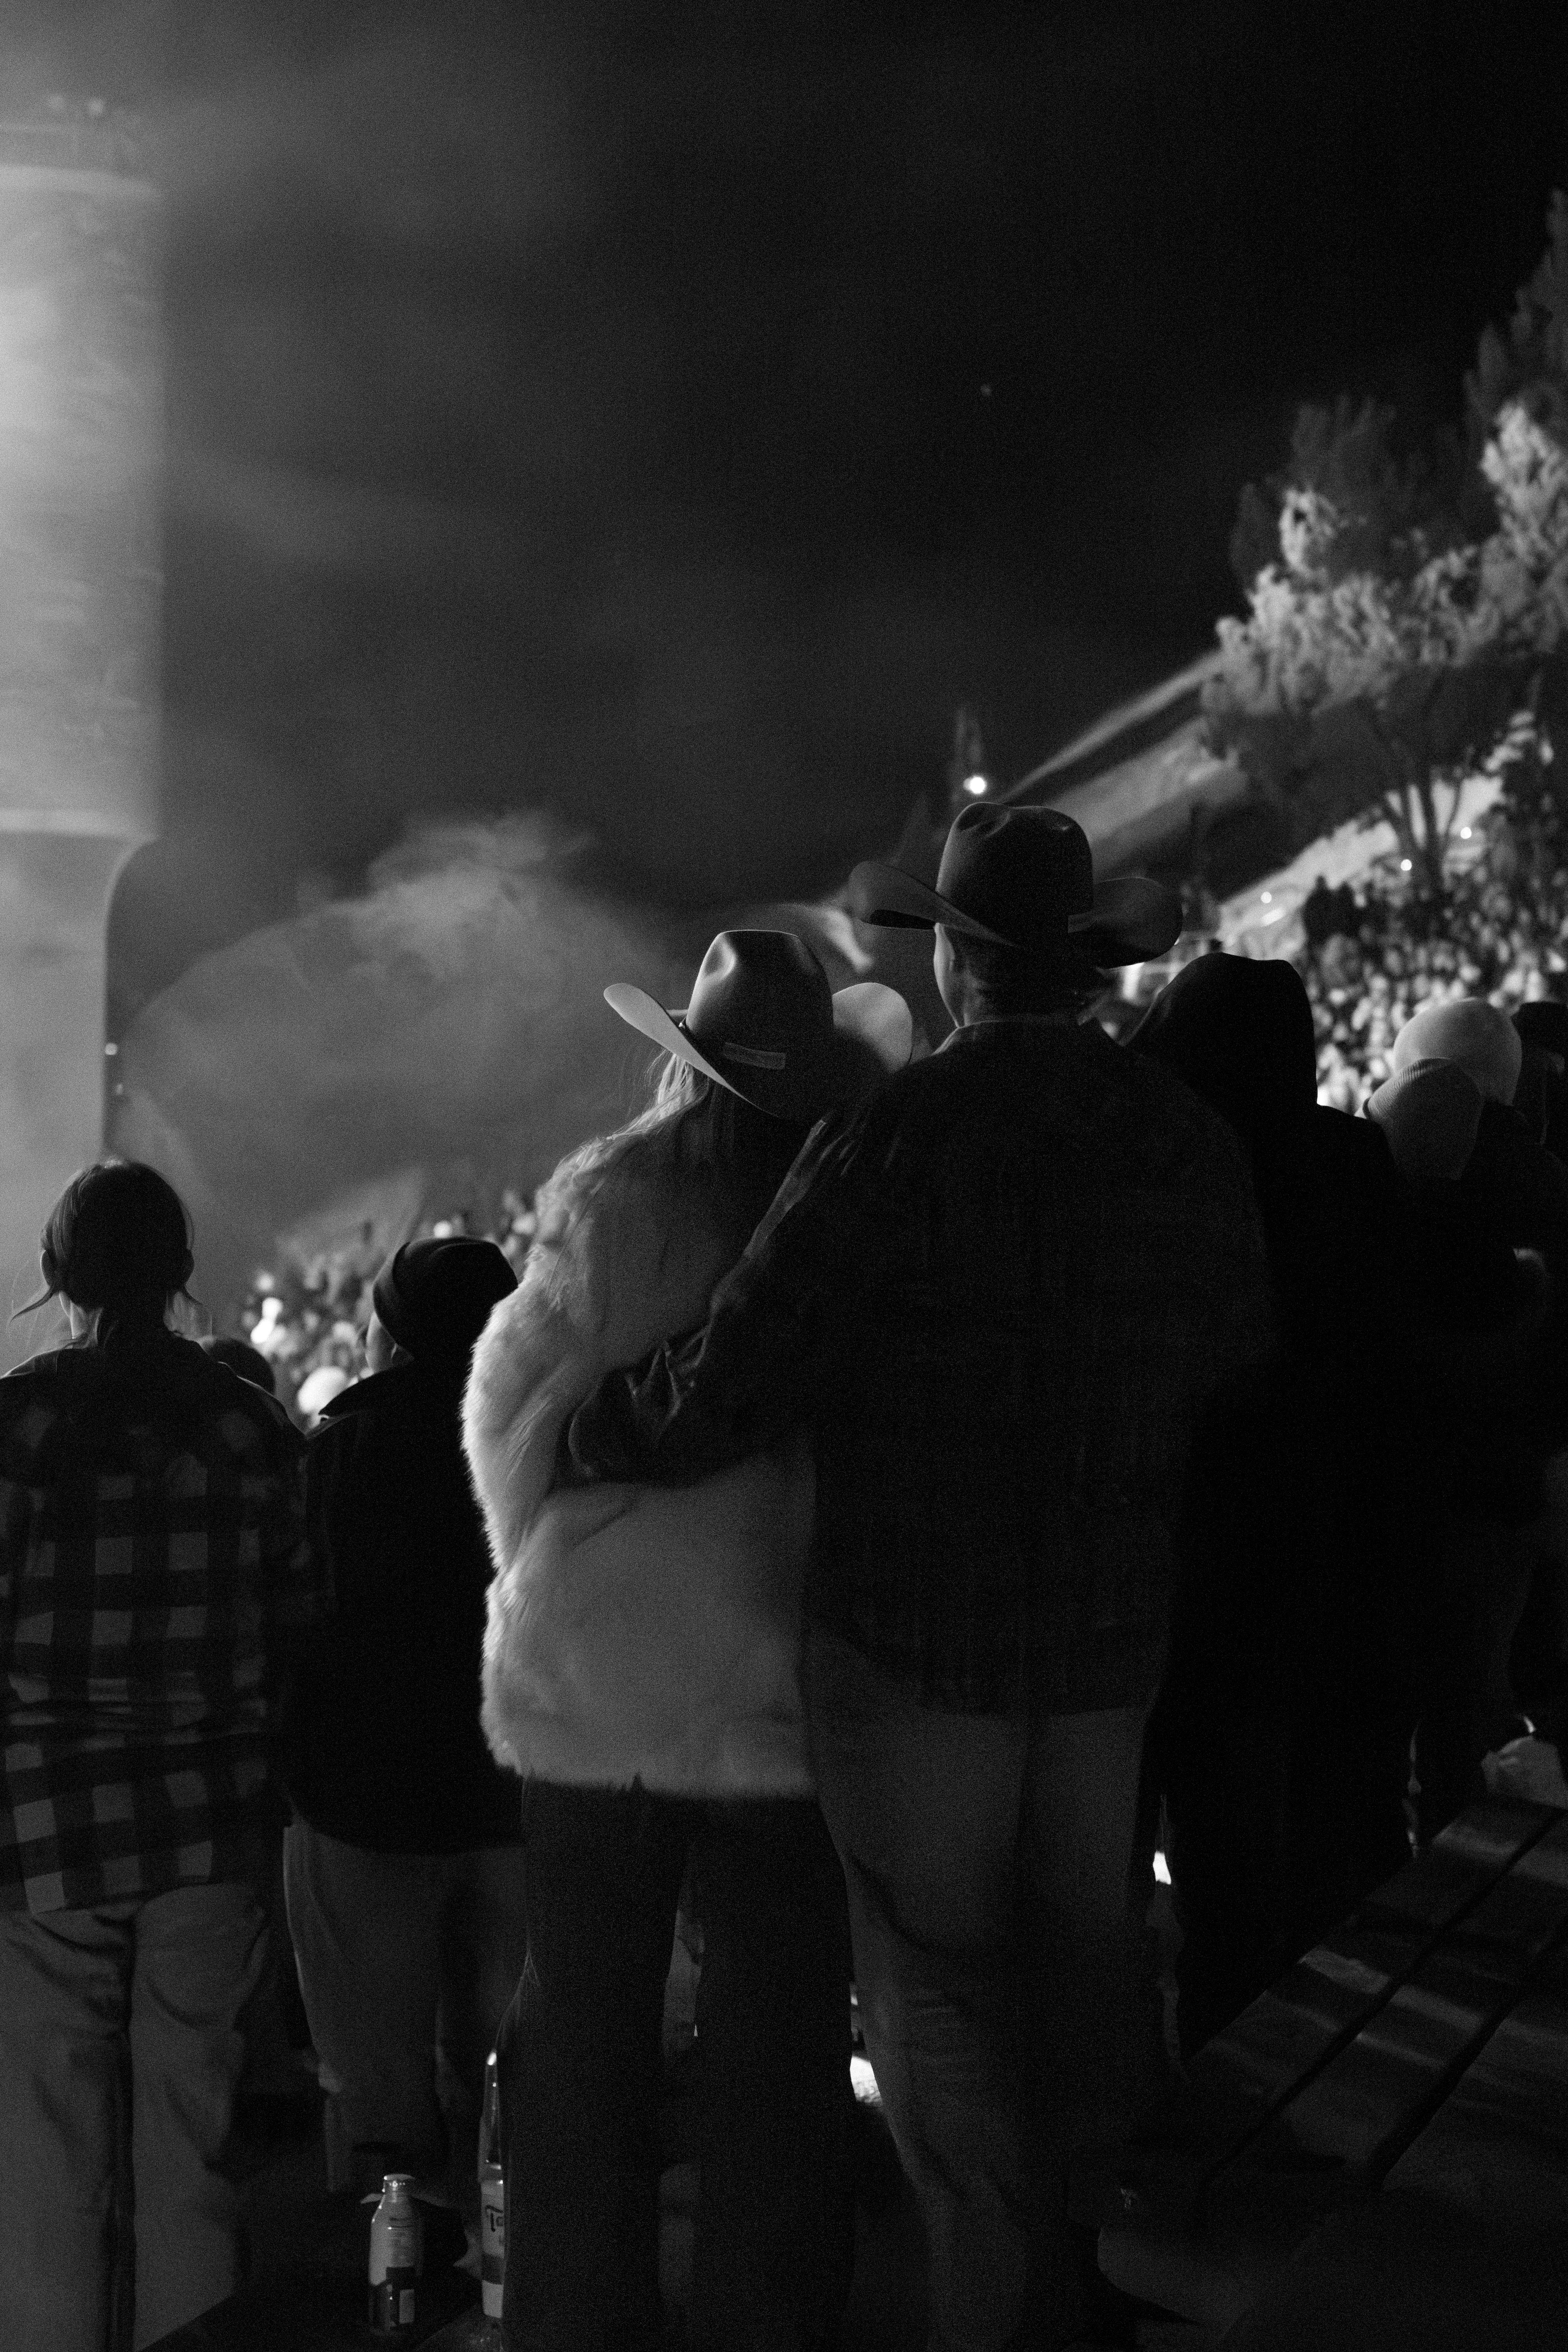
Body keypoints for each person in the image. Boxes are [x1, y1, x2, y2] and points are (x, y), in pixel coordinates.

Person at [562, 810, 1275, 2352]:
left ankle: (993, 2306)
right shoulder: (1174, 1134)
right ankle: (1085, 2290)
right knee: (1083, 1973)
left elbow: (745, 1364)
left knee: (940, 1988)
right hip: (1104, 1641)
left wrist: (589, 1428)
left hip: (916, 1641)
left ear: (957, 962)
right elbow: (1235, 1344)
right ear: (1083, 968)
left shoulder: (903, 1133)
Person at [465, 929, 911, 2352]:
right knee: (781, 2039)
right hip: (782, 1685)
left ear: (685, 1061)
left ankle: (573, 2318)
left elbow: (508, 1414)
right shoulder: (863, 1206)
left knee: (582, 2026)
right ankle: (764, 2321)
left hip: (597, 1681)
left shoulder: (615, 1196)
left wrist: (551, 1554)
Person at [1129, 956, 1537, 2049]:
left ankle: (1210, 2075)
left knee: (1196, 1857)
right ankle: (1326, 2048)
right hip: (1342, 1557)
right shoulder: (1346, 1160)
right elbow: (1436, 1317)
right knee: (1321, 1841)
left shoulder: (1167, 1169)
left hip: (1197, 1563)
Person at [0, 1161, 318, 2352]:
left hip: (42, 1832)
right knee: (193, 2156)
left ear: (58, 1273)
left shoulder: (15, 1422)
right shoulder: (248, 1425)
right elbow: (299, 1616)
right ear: (182, 1271)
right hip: (208, 1822)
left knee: (46, 2162)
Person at [280, 1236, 524, 2218]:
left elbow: (294, 1611)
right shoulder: (548, 1437)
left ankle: (396, 2268)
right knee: (509, 2077)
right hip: (510, 1797)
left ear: (393, 1333)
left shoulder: (342, 1447)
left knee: (377, 2087)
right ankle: (509, 2264)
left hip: (363, 1804)